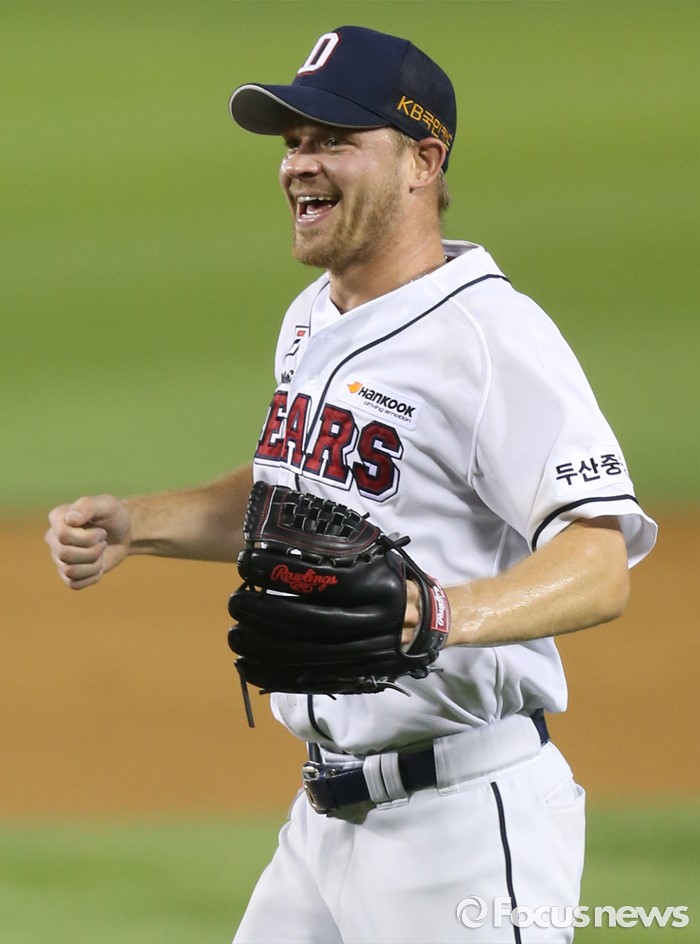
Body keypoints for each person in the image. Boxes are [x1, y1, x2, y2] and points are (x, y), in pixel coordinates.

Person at [46, 25, 657, 944]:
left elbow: (599, 561)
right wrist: (140, 522)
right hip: (323, 825)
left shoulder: (491, 337)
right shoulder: (313, 316)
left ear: (423, 161)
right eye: (294, 141)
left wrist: (439, 614)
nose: (300, 163)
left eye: (333, 139)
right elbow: (293, 492)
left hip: (463, 825)